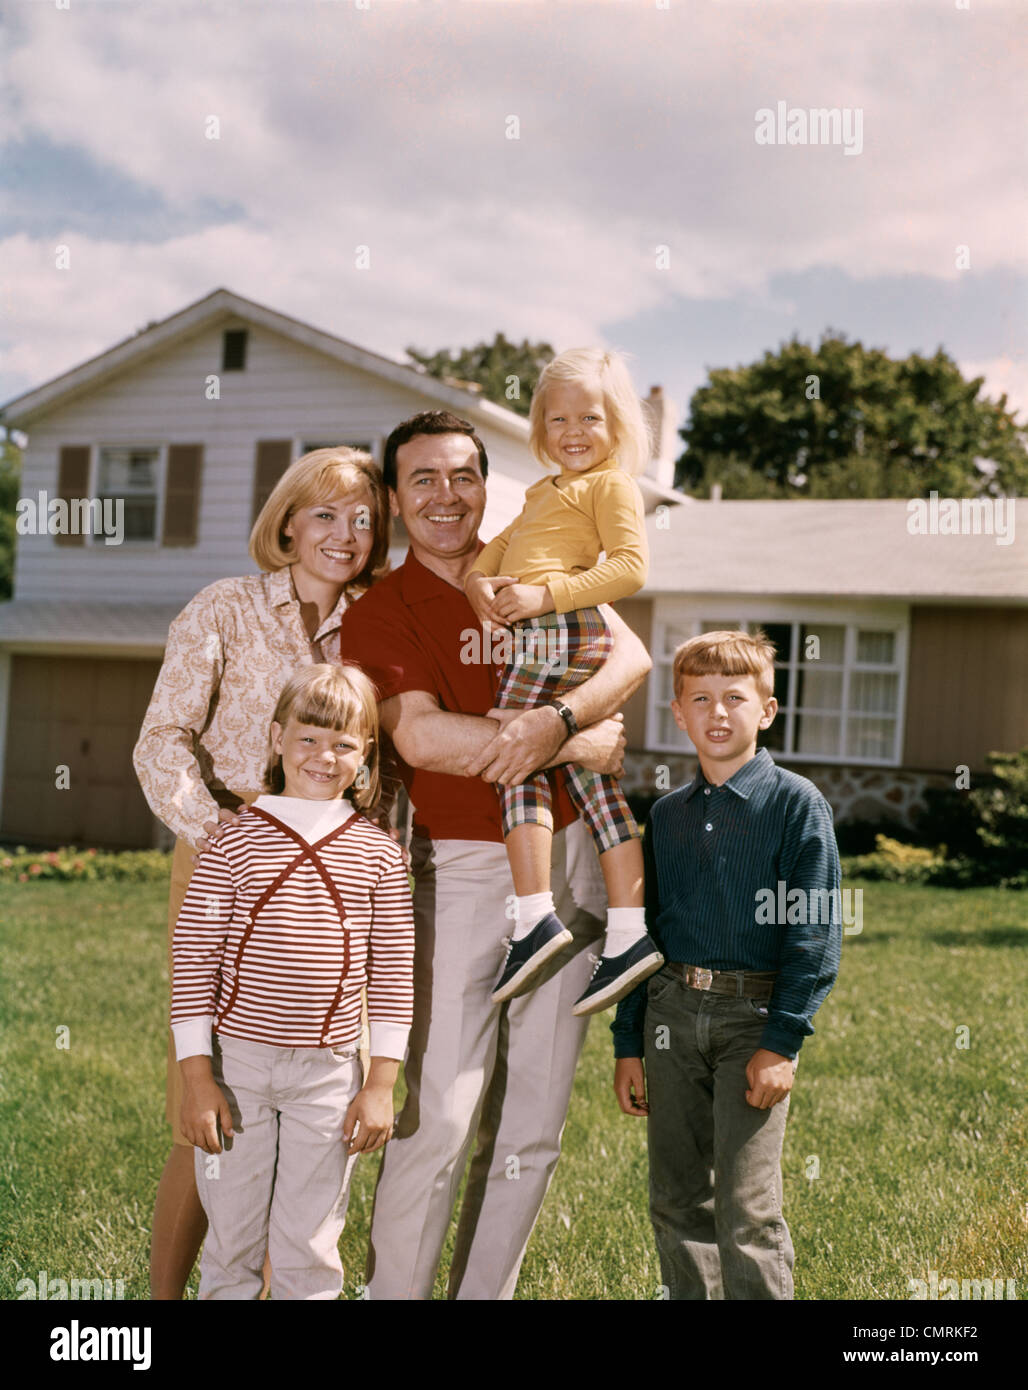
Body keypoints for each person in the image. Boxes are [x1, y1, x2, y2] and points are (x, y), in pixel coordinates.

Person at [339, 409, 652, 1300]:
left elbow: (628, 655)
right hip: (465, 873)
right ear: (396, 501)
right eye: (423, 481)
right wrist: (574, 741)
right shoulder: (383, 610)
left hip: (575, 867)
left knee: (534, 1126)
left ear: (487, 485)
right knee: (437, 1116)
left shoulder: (531, 570)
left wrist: (558, 718)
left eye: (462, 476)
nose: (446, 496)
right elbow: (425, 737)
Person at [133, 446, 391, 1299]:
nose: (343, 534)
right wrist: (223, 838)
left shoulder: (379, 622)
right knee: (208, 1109)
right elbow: (162, 737)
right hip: (226, 856)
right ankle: (172, 1300)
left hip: (336, 877)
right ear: (285, 523)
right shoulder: (225, 607)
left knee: (316, 1109)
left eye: (361, 520)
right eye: (324, 514)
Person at [172, 663, 414, 1299]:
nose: (323, 755)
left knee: (309, 1246)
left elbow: (392, 978)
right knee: (232, 1242)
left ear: (365, 754)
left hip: (331, 1075)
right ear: (277, 738)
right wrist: (197, 1080)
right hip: (237, 1069)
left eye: (343, 743)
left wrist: (381, 1084)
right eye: (308, 737)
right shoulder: (231, 842)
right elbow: (192, 965)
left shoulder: (379, 853)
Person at [612, 630, 842, 1300]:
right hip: (671, 1015)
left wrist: (782, 1041)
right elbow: (645, 935)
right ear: (678, 714)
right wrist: (631, 1042)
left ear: (766, 711)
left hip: (754, 1018)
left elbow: (813, 934)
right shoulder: (668, 815)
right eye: (701, 699)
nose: (718, 713)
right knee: (677, 1199)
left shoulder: (797, 806)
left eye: (735, 698)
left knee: (746, 1209)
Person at [465, 349, 663, 1015]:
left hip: (564, 630)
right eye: (556, 418)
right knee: (593, 785)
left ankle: (534, 918)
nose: (571, 430)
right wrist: (482, 592)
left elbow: (631, 568)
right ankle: (631, 935)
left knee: (515, 754)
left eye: (589, 417)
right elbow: (491, 559)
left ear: (618, 425)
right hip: (551, 632)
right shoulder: (543, 492)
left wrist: (545, 595)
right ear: (538, 426)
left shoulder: (611, 485)